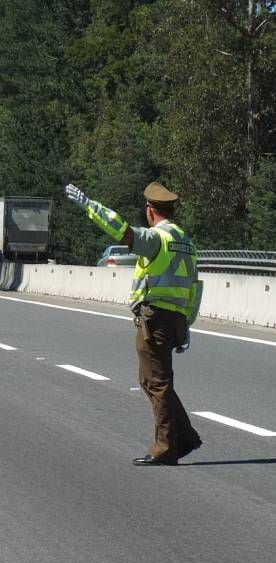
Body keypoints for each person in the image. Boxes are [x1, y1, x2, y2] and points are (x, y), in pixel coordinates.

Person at [65, 181, 204, 466]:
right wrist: (187, 322)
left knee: (158, 382)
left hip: (155, 318)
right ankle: (186, 436)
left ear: (150, 211)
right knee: (149, 380)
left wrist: (90, 206)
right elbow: (195, 285)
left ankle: (166, 447)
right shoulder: (186, 242)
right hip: (176, 317)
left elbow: (123, 231)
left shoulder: (157, 238)